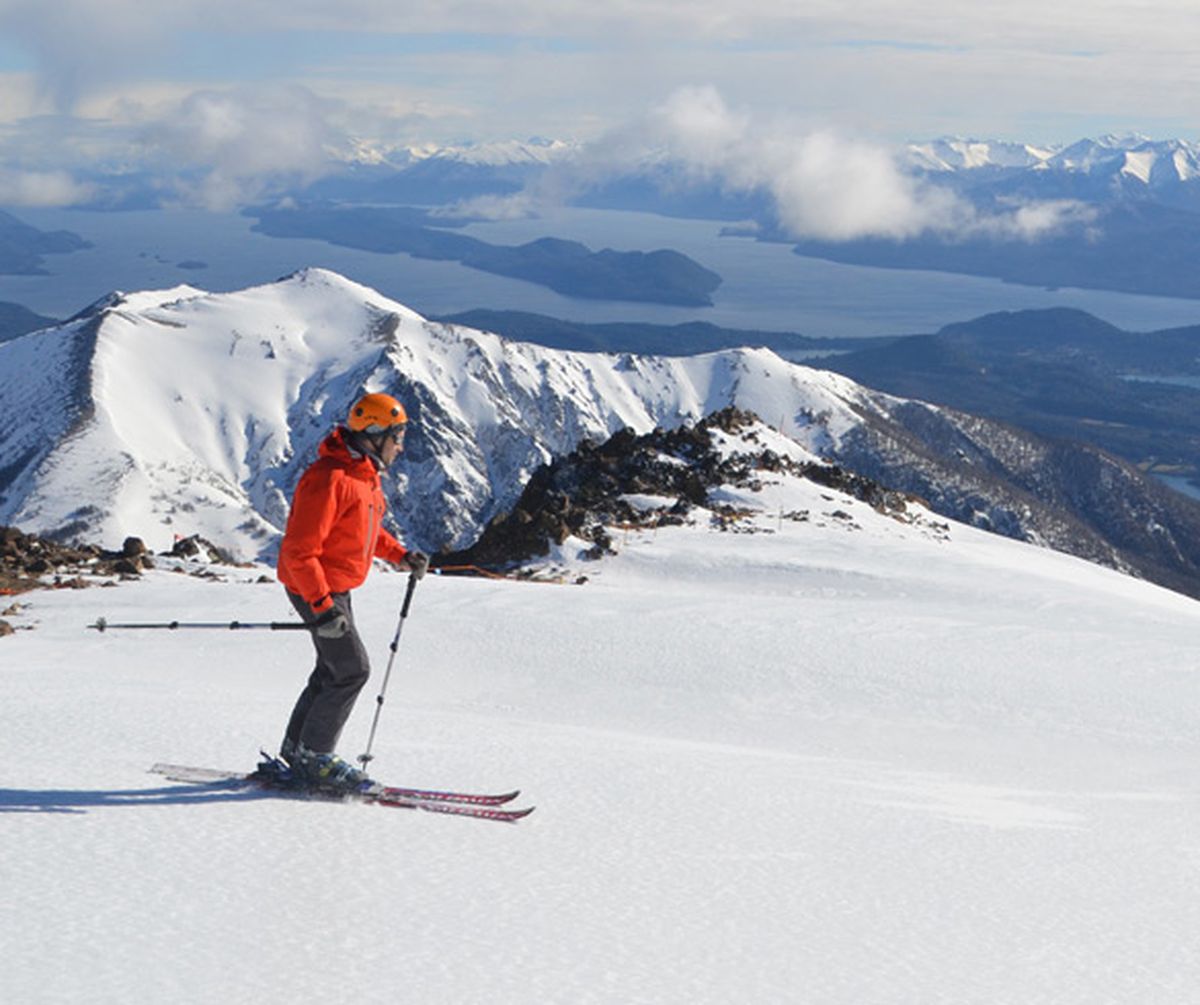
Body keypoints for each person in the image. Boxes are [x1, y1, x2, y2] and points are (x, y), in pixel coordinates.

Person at [276, 391, 429, 790]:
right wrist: (323, 607)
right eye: (397, 436)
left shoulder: (363, 477)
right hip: (317, 588)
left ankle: (298, 750)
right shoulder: (330, 479)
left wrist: (400, 555)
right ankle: (317, 758)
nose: (401, 445)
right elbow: (298, 551)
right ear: (375, 435)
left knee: (332, 668)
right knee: (352, 670)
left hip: (334, 589)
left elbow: (363, 532)